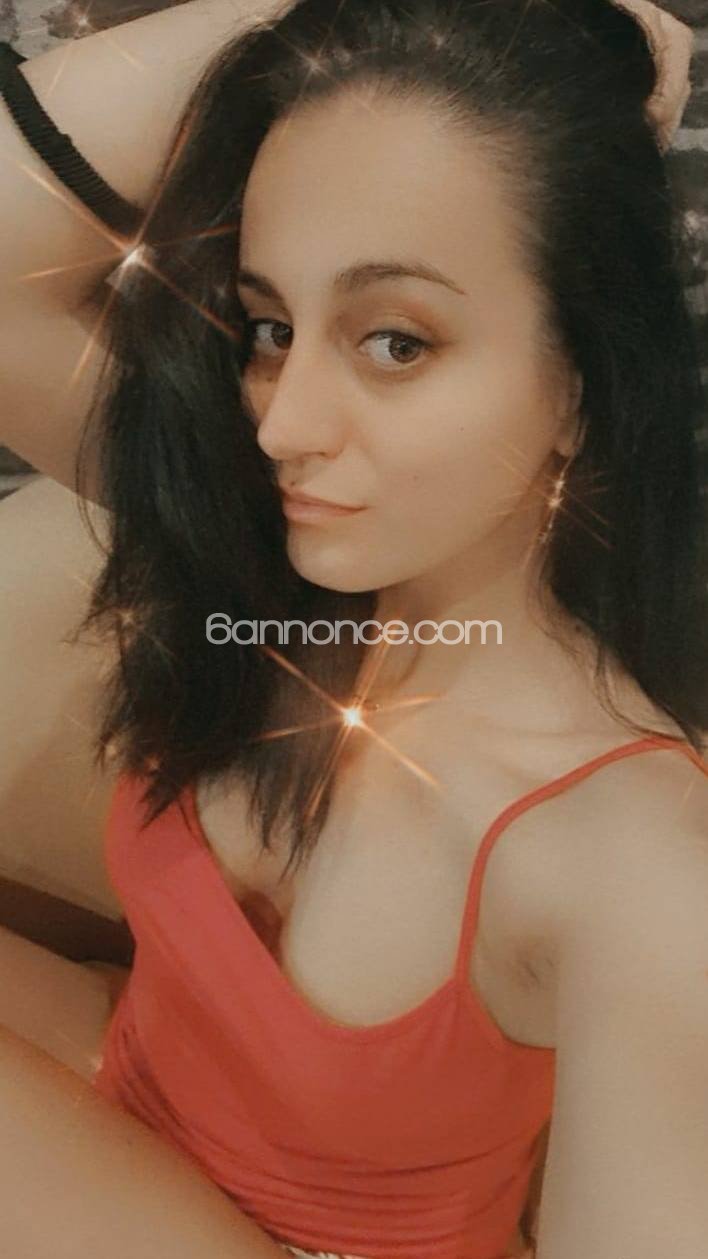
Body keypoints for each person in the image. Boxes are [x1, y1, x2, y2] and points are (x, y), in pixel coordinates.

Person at [0, 2, 706, 1258]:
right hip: (123, 1109)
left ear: (579, 384)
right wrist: (359, 15)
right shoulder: (266, 562)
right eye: (272, 329)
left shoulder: (635, 861)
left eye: (394, 341)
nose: (283, 424)